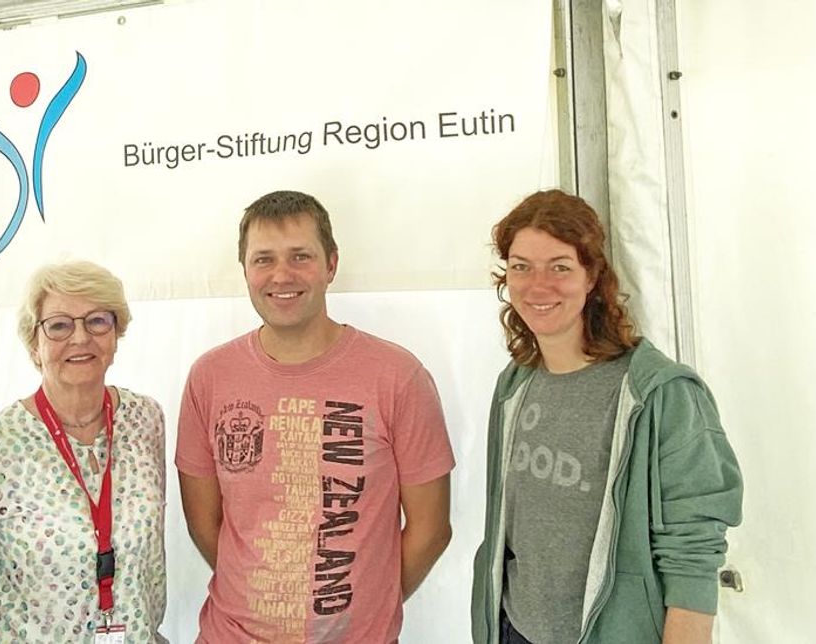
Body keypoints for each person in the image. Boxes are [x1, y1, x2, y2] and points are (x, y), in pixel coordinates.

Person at [176, 190, 455, 643]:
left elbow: (430, 529)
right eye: (263, 259)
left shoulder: (397, 376)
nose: (280, 275)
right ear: (245, 270)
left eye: (300, 256)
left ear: (331, 264)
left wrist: (367, 607)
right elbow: (204, 524)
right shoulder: (210, 377)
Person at [471, 190, 743, 644]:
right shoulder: (515, 385)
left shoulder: (662, 394)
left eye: (559, 266)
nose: (538, 285)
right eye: (521, 266)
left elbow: (693, 549)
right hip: (514, 629)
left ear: (592, 276)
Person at [0, 261, 167, 643]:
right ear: (34, 345)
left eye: (97, 321)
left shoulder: (145, 421)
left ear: (116, 333)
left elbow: (152, 569)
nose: (80, 338)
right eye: (59, 325)